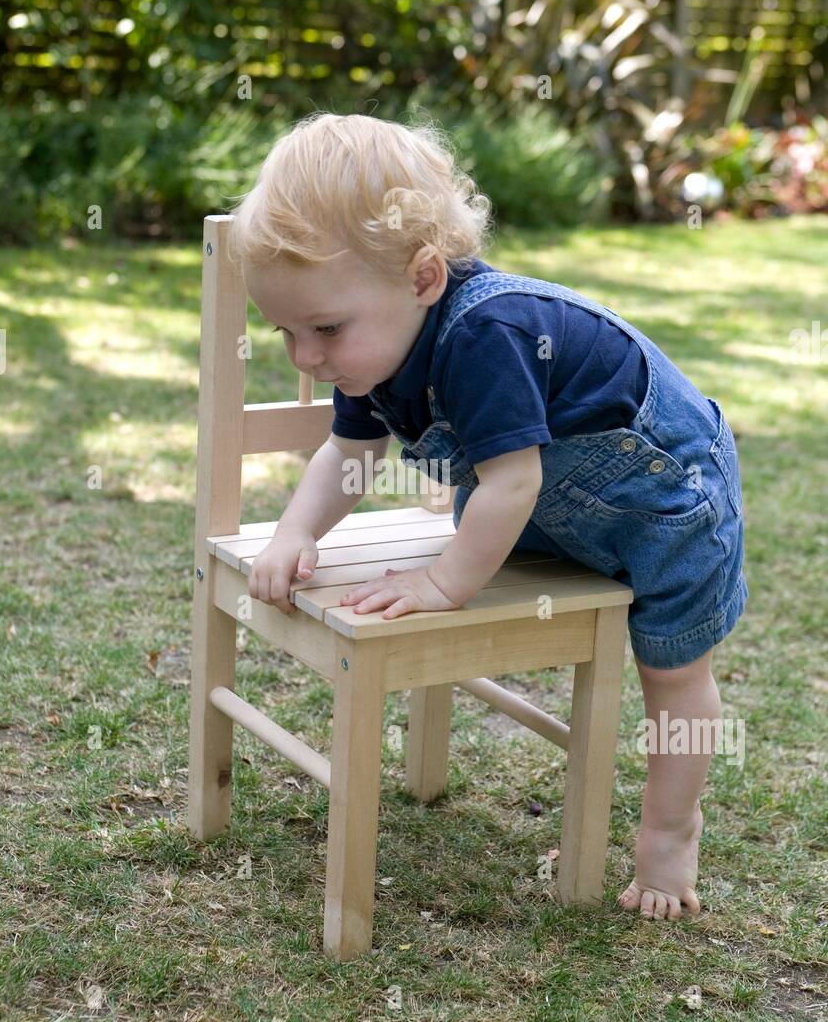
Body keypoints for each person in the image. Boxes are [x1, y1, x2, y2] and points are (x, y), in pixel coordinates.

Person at [228, 111, 749, 922]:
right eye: (285, 331)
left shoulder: (487, 332)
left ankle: (670, 833)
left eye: (324, 328)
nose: (305, 355)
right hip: (550, 503)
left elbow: (511, 484)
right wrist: (295, 532)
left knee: (674, 673)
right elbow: (350, 455)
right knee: (474, 490)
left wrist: (442, 584)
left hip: (662, 498)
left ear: (424, 277)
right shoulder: (373, 346)